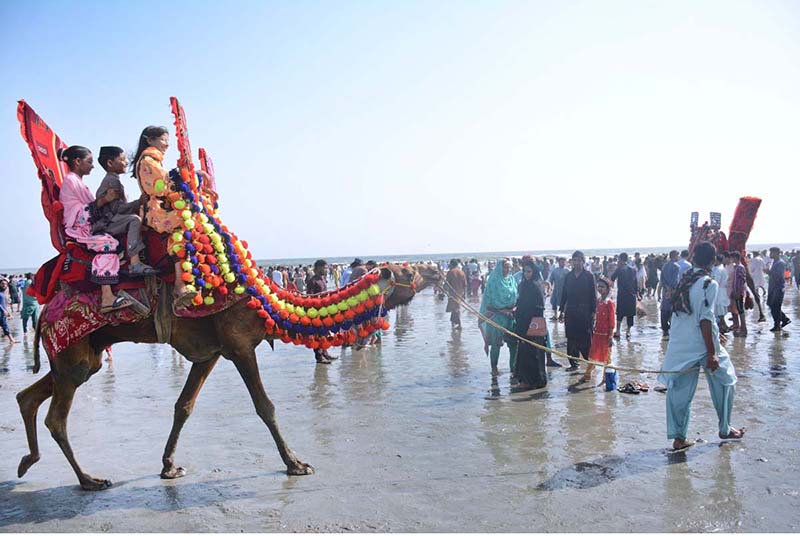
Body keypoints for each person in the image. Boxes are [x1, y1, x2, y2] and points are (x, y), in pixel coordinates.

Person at [659, 241, 745, 452]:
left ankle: (679, 438)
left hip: (681, 343)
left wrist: (716, 335)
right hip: (702, 343)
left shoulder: (684, 279)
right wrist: (712, 352)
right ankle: (725, 428)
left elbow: (694, 315)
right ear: (713, 261)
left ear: (694, 259)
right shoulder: (708, 283)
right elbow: (705, 319)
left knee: (679, 390)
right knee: (727, 381)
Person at [59, 146, 134, 313]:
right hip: (78, 229)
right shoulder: (71, 181)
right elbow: (78, 212)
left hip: (88, 225)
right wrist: (105, 199)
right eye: (89, 162)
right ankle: (107, 297)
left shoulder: (79, 183)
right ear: (77, 162)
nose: (93, 166)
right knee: (109, 244)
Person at [131, 126, 196, 307]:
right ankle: (179, 284)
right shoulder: (148, 161)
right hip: (157, 210)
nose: (167, 144)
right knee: (182, 225)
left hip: (162, 205)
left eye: (168, 140)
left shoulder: (154, 160)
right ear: (150, 140)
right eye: (163, 139)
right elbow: (161, 186)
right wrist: (186, 177)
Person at [92, 146, 155, 276]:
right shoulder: (111, 181)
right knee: (134, 220)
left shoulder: (114, 180)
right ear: (110, 163)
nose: (126, 162)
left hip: (112, 219)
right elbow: (117, 209)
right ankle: (135, 262)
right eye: (122, 159)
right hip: (107, 223)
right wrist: (138, 202)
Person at [512, 258, 548, 391]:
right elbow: (521, 303)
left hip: (532, 325)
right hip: (522, 323)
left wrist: (529, 324)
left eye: (529, 271)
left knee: (533, 353)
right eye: (525, 271)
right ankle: (526, 379)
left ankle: (533, 381)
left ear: (534, 272)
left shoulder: (535, 285)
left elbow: (539, 307)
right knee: (524, 352)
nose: (527, 274)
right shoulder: (524, 285)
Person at [479, 259, 518, 377]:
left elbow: (516, 296)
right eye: (505, 267)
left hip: (510, 316)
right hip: (497, 317)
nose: (508, 270)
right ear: (500, 268)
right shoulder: (493, 281)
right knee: (496, 345)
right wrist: (501, 310)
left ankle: (513, 368)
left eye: (509, 268)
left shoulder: (512, 280)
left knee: (513, 344)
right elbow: (489, 301)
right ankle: (494, 368)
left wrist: (513, 309)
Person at [559, 251, 597, 372]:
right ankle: (574, 363)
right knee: (571, 337)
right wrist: (561, 310)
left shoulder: (589, 276)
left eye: (579, 260)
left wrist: (594, 311)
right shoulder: (568, 276)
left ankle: (590, 362)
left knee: (586, 337)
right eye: (574, 260)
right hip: (571, 310)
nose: (577, 262)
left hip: (585, 311)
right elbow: (564, 294)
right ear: (572, 262)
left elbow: (593, 295)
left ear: (583, 261)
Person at [582, 275, 615, 384]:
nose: (600, 289)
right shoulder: (598, 301)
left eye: (602, 287)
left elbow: (612, 321)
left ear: (608, 289)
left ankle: (606, 378)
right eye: (599, 287)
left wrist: (610, 336)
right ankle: (587, 375)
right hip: (597, 333)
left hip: (606, 335)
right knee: (592, 354)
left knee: (607, 357)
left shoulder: (609, 303)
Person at [307, 259, 337, 364]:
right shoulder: (313, 281)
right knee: (317, 334)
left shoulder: (322, 279)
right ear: (318, 268)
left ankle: (325, 352)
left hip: (324, 310)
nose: (326, 269)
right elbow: (309, 297)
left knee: (324, 332)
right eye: (325, 267)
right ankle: (319, 357)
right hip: (316, 311)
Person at [611, 252, 638, 340]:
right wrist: (637, 294)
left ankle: (618, 331)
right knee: (630, 314)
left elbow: (612, 278)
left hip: (622, 294)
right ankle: (628, 331)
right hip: (631, 294)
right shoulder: (633, 269)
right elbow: (635, 283)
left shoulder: (620, 269)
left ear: (621, 260)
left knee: (620, 313)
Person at [767, 247, 791, 332]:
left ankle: (777, 325)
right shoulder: (774, 262)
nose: (770, 254)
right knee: (772, 305)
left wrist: (768, 272)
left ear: (777, 253)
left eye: (771, 253)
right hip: (773, 288)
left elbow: (779, 276)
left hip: (778, 288)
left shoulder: (781, 263)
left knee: (775, 307)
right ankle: (784, 319)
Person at [660, 250, 680, 339]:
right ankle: (673, 328)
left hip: (665, 290)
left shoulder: (665, 266)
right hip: (673, 291)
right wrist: (672, 289)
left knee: (664, 309)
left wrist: (666, 287)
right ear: (675, 256)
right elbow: (675, 280)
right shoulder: (676, 267)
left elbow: (662, 279)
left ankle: (665, 330)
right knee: (673, 309)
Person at [729, 251, 747, 337]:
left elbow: (743, 280)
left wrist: (739, 292)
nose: (731, 259)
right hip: (735, 291)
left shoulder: (740, 267)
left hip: (739, 293)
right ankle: (739, 327)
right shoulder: (735, 267)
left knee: (741, 310)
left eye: (732, 258)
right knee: (736, 310)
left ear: (736, 258)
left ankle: (744, 329)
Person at [445, 259, 467, 329]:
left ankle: (459, 325)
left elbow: (447, 284)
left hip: (452, 293)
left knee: (455, 310)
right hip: (460, 293)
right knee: (455, 309)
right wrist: (464, 294)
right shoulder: (462, 272)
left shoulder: (450, 272)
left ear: (451, 264)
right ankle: (453, 324)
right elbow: (465, 285)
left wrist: (443, 291)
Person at [711, 254, 731, 333]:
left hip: (719, 291)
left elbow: (716, 281)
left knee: (719, 310)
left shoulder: (719, 269)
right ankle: (722, 325)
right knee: (719, 310)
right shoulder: (718, 268)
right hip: (720, 290)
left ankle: (723, 325)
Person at [20, 273, 39, 338]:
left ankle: (25, 331)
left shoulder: (25, 283)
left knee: (25, 318)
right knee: (35, 319)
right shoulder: (31, 283)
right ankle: (36, 331)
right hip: (33, 303)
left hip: (26, 303)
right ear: (31, 277)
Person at [0, 279, 16, 344]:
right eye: (3, 284)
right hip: (1, 312)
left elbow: (4, 303)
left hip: (3, 312)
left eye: (5, 284)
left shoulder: (3, 292)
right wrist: (4, 311)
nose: (4, 285)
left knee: (4, 325)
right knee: (4, 325)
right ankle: (11, 339)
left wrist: (7, 312)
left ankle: (11, 339)